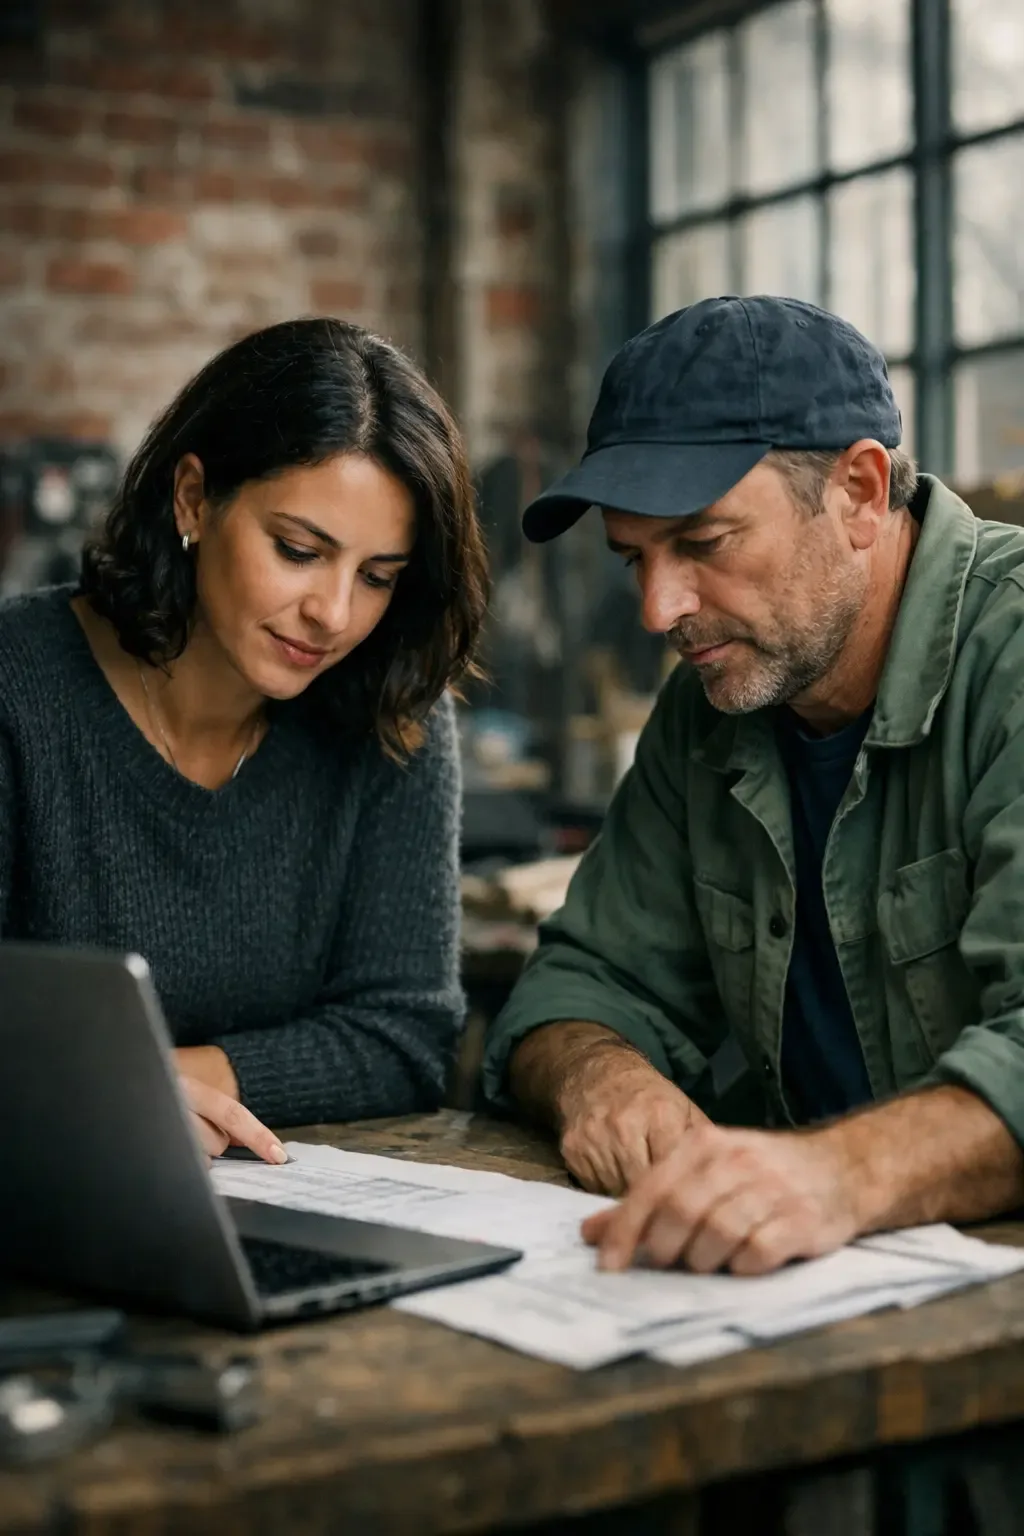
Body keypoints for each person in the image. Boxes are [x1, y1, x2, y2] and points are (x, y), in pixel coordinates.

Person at [483, 295, 1024, 1277]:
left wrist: (837, 1176)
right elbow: (579, 984)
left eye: (702, 543)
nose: (659, 609)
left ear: (859, 492)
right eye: (632, 559)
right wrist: (600, 1077)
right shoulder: (713, 703)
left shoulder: (1013, 659)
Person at [0, 317, 488, 1163]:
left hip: (281, 1203)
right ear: (193, 498)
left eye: (378, 577)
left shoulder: (391, 712)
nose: (334, 616)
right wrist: (102, 1105)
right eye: (298, 550)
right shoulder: (17, 689)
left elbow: (404, 1037)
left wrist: (140, 1087)